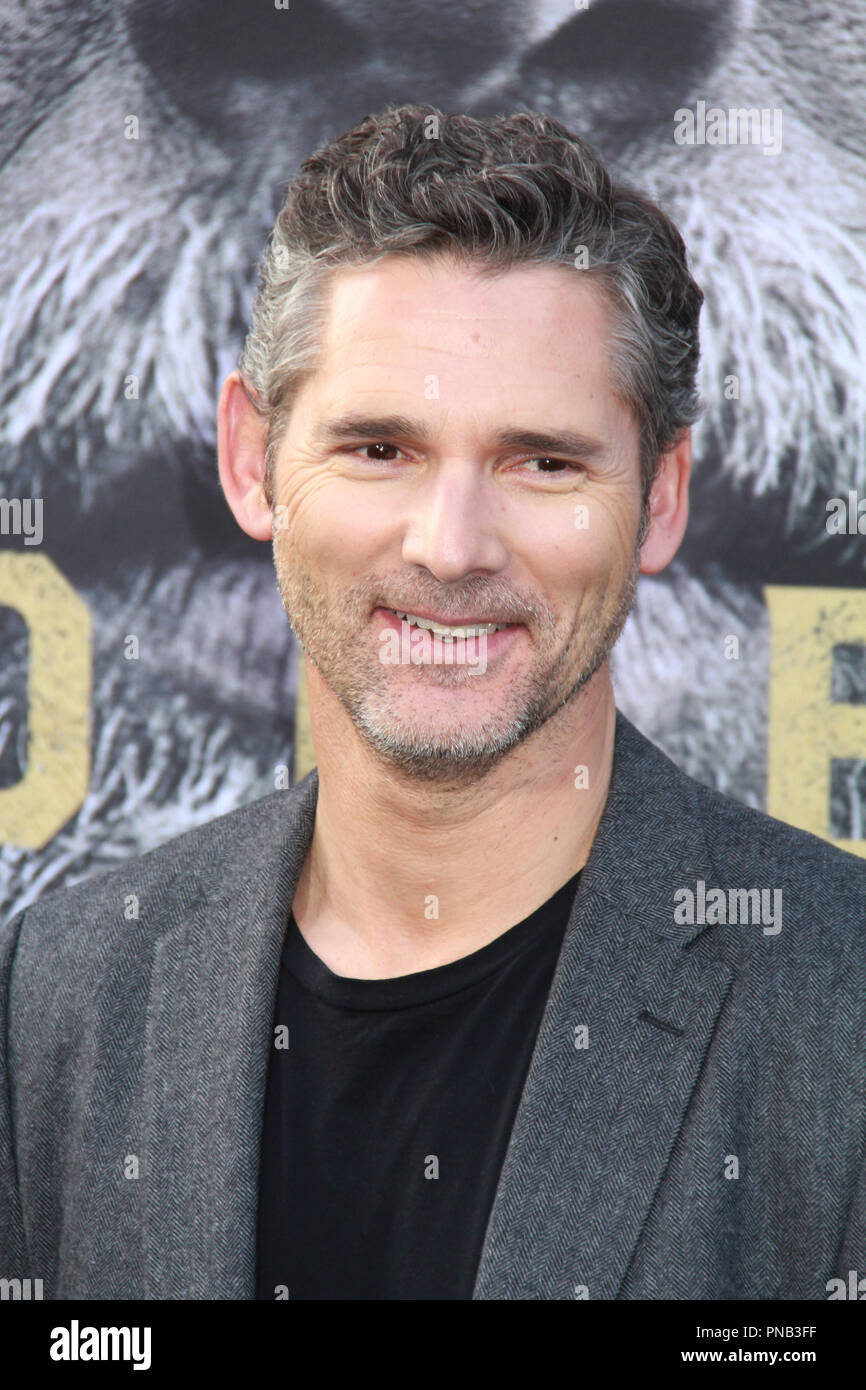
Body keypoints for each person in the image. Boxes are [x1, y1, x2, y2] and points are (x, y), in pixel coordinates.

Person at [1, 103, 864, 1301]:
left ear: (660, 498)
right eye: (377, 450)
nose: (451, 546)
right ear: (252, 461)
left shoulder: (838, 1001)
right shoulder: (71, 984)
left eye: (541, 461)